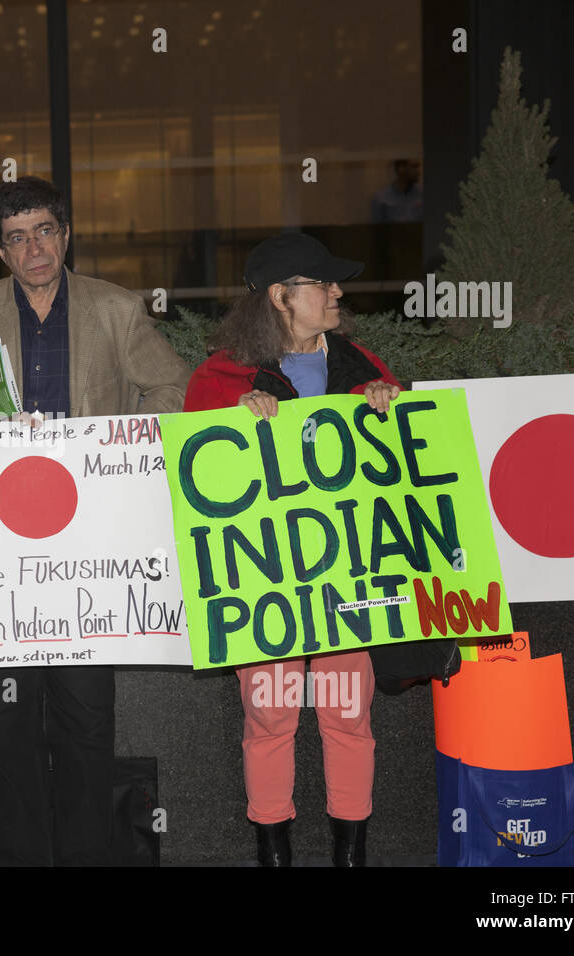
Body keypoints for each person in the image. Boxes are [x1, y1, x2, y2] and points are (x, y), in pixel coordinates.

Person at [0, 176, 190, 866]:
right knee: (5, 720)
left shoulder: (115, 309)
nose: (33, 247)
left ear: (64, 236)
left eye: (44, 231)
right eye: (16, 237)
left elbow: (173, 391)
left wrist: (112, 444)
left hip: (90, 546)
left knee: (87, 718)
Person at [184, 232, 402, 867]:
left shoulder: (364, 365)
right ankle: (273, 854)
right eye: (323, 283)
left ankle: (349, 855)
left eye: (335, 283)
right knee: (271, 721)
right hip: (265, 583)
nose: (338, 292)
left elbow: (403, 466)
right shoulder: (220, 378)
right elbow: (196, 479)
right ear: (280, 297)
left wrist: (389, 405)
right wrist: (229, 420)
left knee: (347, 717)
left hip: (347, 576)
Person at [371, 159, 423, 223]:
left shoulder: (422, 195)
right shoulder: (380, 198)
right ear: (401, 168)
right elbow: (376, 229)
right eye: (414, 167)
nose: (418, 171)